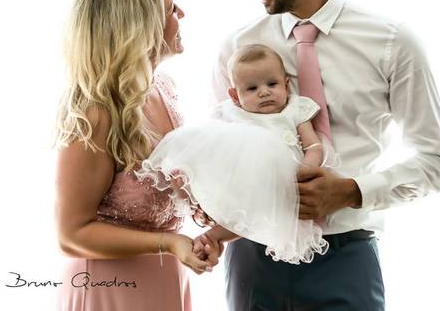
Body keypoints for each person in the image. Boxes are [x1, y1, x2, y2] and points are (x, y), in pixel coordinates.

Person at [213, 0, 440, 310]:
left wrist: (351, 191)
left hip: (348, 255)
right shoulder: (237, 50)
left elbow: (437, 162)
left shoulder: (393, 43)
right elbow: (223, 153)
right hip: (254, 256)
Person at [54, 0, 219, 311]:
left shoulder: (163, 89)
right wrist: (168, 243)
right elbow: (71, 234)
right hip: (107, 288)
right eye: (171, 9)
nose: (182, 14)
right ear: (141, 27)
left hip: (167, 279)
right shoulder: (97, 112)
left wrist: (209, 221)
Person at [137, 43, 336, 265]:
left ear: (286, 84)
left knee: (261, 211)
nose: (264, 92)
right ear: (234, 95)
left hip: (283, 181)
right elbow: (212, 144)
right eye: (252, 88)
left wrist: (308, 166)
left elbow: (313, 145)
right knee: (237, 205)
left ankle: (214, 236)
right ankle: (207, 224)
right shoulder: (232, 113)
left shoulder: (293, 109)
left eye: (272, 84)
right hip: (247, 179)